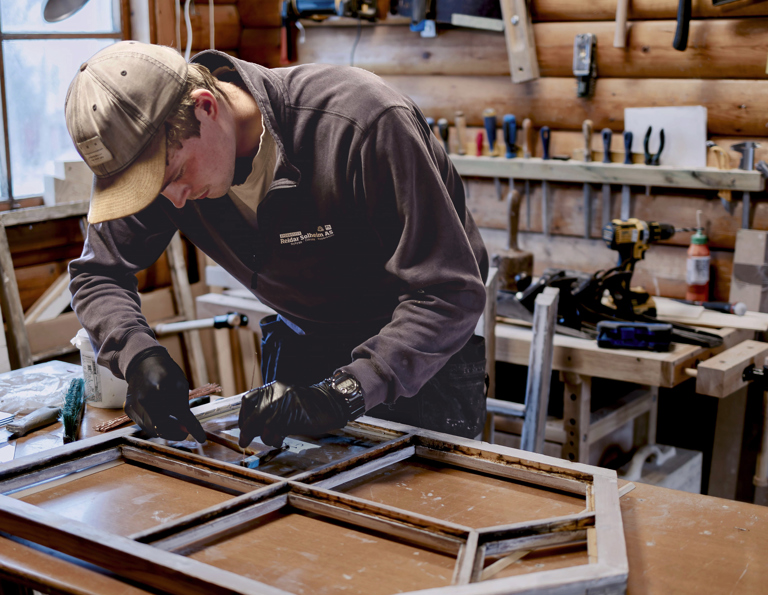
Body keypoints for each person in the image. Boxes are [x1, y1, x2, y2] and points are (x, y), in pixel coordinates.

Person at [66, 40, 489, 449]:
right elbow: (97, 273)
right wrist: (138, 356)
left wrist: (344, 392)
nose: (173, 201)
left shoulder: (363, 121)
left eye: (173, 174)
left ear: (205, 108)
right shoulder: (165, 166)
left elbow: (448, 293)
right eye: (152, 191)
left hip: (419, 360)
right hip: (302, 355)